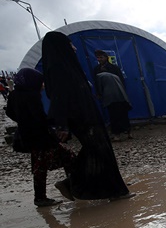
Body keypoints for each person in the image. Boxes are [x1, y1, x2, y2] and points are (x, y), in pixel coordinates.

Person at [41, 31, 133, 201]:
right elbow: (58, 97)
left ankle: (82, 185)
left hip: (87, 116)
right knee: (100, 150)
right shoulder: (58, 68)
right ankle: (109, 190)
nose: (74, 48)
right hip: (81, 118)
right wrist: (61, 124)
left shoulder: (68, 66)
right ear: (61, 47)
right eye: (70, 45)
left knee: (96, 150)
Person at [5, 68, 76, 207]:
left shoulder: (14, 95)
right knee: (51, 163)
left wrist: (22, 121)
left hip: (27, 136)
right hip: (41, 137)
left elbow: (9, 113)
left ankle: (71, 186)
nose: (42, 85)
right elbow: (39, 118)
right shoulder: (31, 96)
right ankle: (43, 197)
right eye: (41, 82)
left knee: (62, 158)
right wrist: (54, 124)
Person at [95, 72, 132, 141]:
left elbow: (99, 88)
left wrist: (99, 95)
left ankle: (116, 135)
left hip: (111, 99)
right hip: (122, 97)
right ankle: (129, 132)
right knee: (124, 115)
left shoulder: (98, 76)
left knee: (114, 117)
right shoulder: (115, 75)